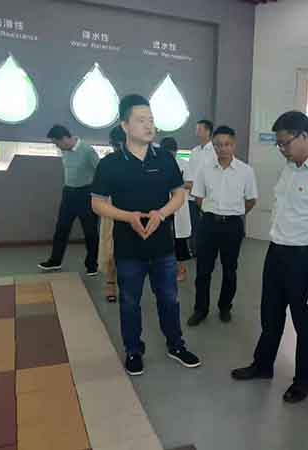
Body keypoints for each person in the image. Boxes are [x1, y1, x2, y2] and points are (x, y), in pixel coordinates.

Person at [231, 111, 308, 404]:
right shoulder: (290, 167)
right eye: (278, 144)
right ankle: (262, 365)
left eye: (285, 143)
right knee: (270, 313)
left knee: (305, 322)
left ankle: (304, 381)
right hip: (276, 250)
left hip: (303, 256)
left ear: (304, 136)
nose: (281, 149)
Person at [91, 94, 201, 376]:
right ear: (125, 125)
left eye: (151, 120)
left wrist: (161, 214)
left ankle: (176, 345)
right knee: (130, 303)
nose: (149, 125)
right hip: (128, 249)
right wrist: (128, 216)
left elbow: (179, 194)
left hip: (163, 248)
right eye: (141, 120)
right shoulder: (110, 164)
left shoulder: (164, 159)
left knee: (170, 299)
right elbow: (97, 203)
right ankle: (133, 350)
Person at [187, 126, 258, 326]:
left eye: (227, 144)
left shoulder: (245, 171)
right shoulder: (205, 169)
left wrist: (234, 213)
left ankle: (225, 307)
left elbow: (251, 200)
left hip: (232, 226)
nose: (222, 148)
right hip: (208, 224)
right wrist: (211, 211)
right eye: (218, 145)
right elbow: (198, 196)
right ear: (214, 146)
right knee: (203, 270)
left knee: (230, 269)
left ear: (234, 145)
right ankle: (200, 309)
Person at [38, 125, 100, 276]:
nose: (56, 147)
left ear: (64, 138)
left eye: (56, 143)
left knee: (90, 231)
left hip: (86, 194)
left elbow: (100, 172)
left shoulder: (87, 150)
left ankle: (92, 264)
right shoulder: (64, 150)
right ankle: (55, 260)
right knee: (61, 229)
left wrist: (98, 195)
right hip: (68, 194)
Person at [98, 125, 126, 303]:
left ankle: (128, 283)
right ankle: (110, 282)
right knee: (110, 248)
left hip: (134, 210)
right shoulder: (108, 162)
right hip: (111, 209)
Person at [159, 137, 193, 282]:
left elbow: (191, 184)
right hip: (162, 205)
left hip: (178, 206)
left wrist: (176, 183)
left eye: (171, 153)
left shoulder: (184, 164)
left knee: (180, 240)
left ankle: (182, 269)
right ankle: (162, 268)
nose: (169, 156)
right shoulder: (157, 163)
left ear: (176, 152)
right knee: (162, 238)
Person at [184, 119, 216, 255]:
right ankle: (195, 250)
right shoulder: (195, 151)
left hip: (207, 195)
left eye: (199, 129)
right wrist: (189, 184)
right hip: (192, 195)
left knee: (207, 224)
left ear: (208, 132)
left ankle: (207, 249)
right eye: (196, 129)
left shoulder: (214, 151)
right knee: (194, 224)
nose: (196, 132)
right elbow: (189, 171)